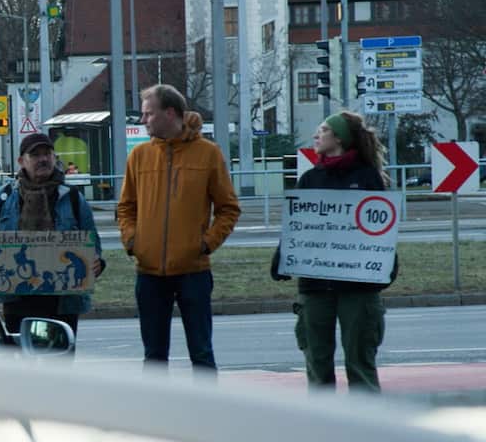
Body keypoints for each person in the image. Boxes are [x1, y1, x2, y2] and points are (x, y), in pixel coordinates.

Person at [117, 84, 241, 372]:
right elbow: (125, 207)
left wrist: (206, 244)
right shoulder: (139, 156)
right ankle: (156, 415)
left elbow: (228, 208)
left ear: (169, 113)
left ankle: (206, 415)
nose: (143, 120)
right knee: (154, 357)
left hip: (193, 272)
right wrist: (133, 241)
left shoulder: (208, 154)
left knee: (201, 353)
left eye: (148, 114)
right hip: (148, 274)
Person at [271, 112, 395, 392]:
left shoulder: (367, 178)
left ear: (338, 138)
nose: (316, 135)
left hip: (359, 287)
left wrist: (386, 261)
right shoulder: (309, 180)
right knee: (317, 363)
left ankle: (365, 428)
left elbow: (380, 225)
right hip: (315, 288)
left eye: (323, 130)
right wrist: (283, 255)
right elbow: (297, 227)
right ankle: (323, 430)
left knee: (360, 363)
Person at [0, 132, 104, 335]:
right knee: (22, 361)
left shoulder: (73, 198)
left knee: (59, 362)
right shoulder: (5, 197)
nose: (43, 159)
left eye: (47, 154)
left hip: (62, 301)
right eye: (36, 155)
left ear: (54, 158)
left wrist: (97, 262)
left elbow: (94, 244)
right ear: (21, 161)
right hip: (18, 298)